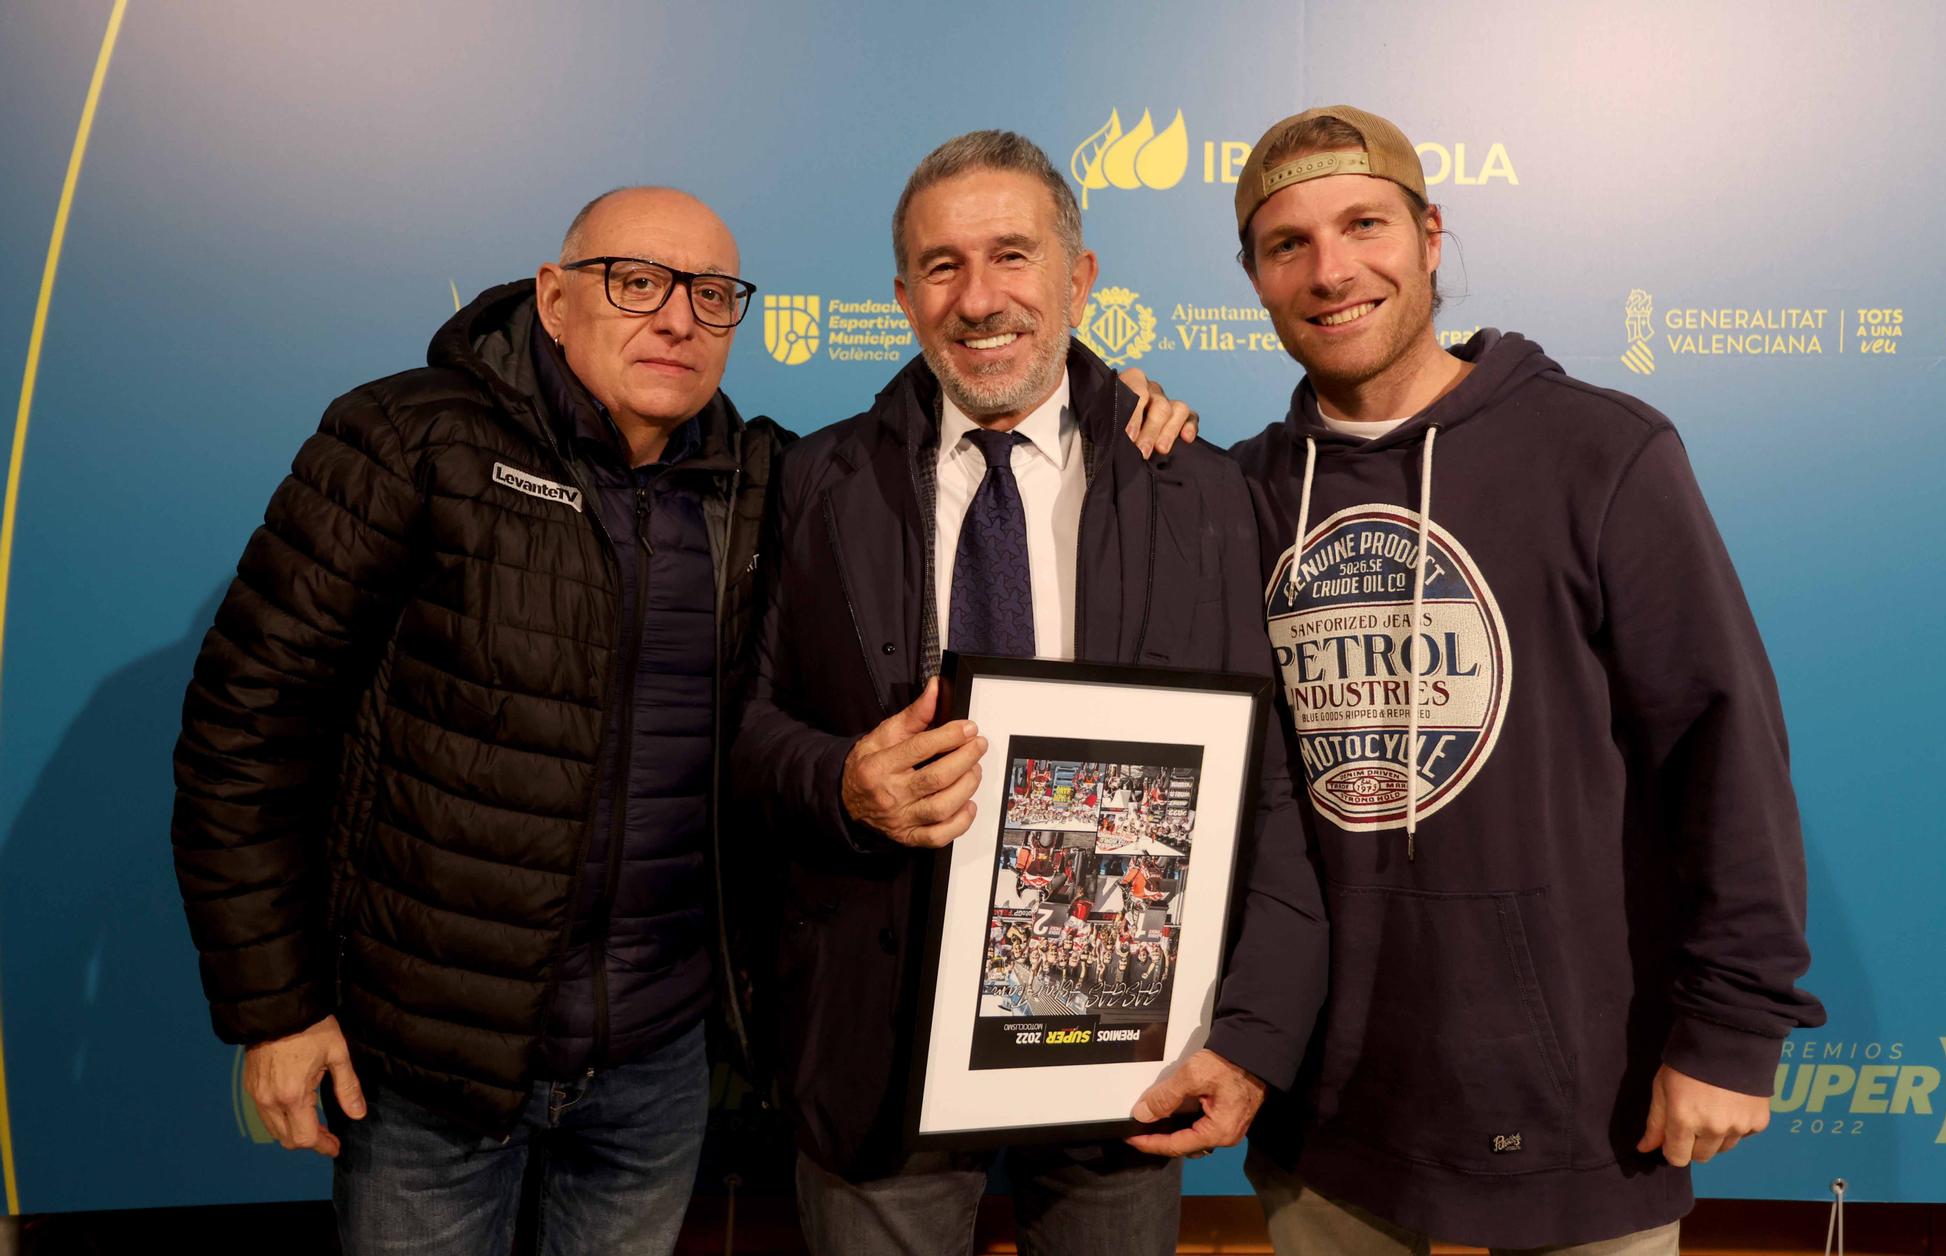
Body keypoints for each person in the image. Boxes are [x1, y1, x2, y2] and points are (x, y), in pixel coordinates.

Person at [170, 184, 1194, 1255]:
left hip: (655, 1071)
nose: (676, 318)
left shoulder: (763, 478)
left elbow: (953, 432)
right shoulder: (406, 439)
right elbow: (245, 727)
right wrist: (275, 1007)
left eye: (711, 295)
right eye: (636, 282)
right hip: (434, 1063)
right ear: (555, 298)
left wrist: (1099, 407)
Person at [1224, 106, 1827, 1254]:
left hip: (1577, 1110)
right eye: (1285, 242)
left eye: (1363, 224)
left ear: (1431, 234)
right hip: (1326, 1112)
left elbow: (1721, 744)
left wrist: (1732, 1029)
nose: (1330, 268)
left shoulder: (1600, 451)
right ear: (1252, 276)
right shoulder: (1239, 492)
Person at [730, 129, 1326, 1256]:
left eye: (1012, 254)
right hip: (876, 1045)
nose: (979, 296)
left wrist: (1249, 1034)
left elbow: (1268, 789)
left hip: (1122, 1048)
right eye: (942, 266)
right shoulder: (815, 478)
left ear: (1078, 277)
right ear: (903, 297)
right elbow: (751, 731)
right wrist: (841, 783)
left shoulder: (1195, 493)